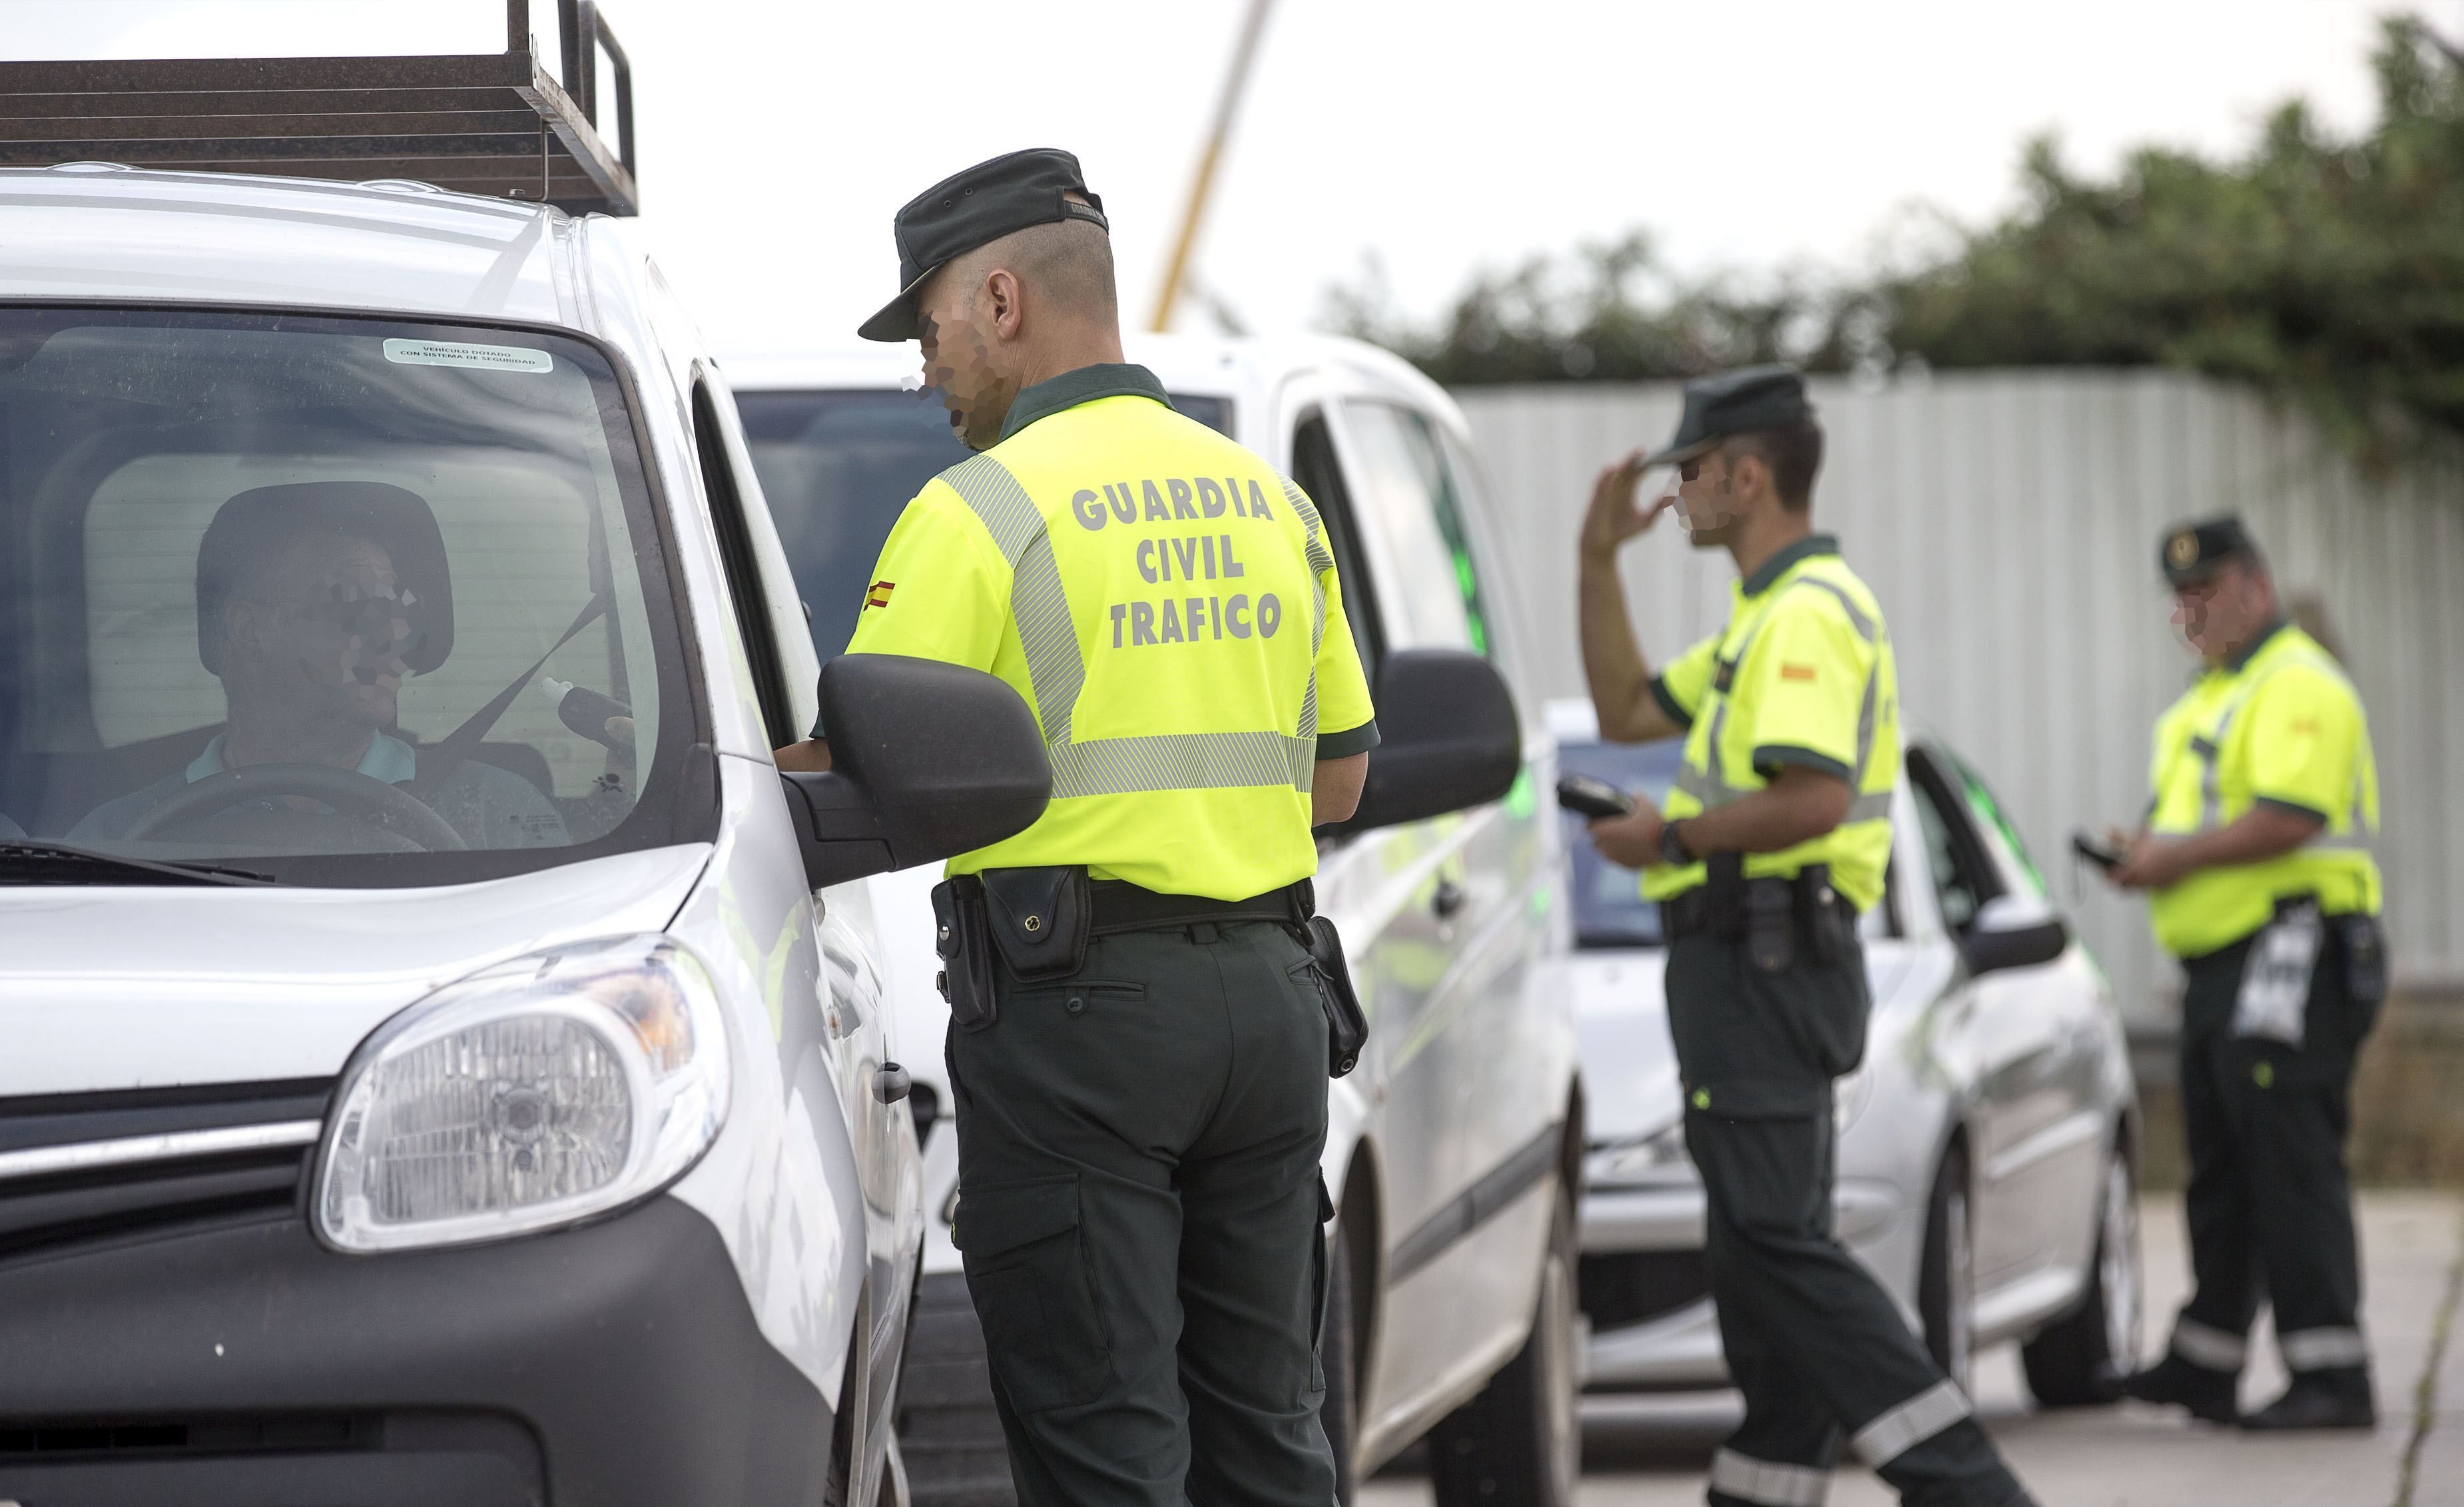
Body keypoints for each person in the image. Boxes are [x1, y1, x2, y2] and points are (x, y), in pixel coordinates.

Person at [774, 148, 1377, 1507]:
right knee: (1270, 1437)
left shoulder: (977, 511)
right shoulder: (1269, 501)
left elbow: (860, 776)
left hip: (1080, 1027)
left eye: (927, 330)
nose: (925, 371)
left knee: (1104, 1447)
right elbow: (1335, 781)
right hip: (1274, 1007)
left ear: (999, 302)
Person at [1579, 366, 2033, 1507]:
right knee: (1755, 1255)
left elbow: (1811, 799)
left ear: (1749, 471)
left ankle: (1969, 1483)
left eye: (1692, 469)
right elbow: (1627, 708)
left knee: (1777, 1245)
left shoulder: (1804, 618)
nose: (1677, 490)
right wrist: (1597, 562)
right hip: (1756, 962)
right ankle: (1767, 1485)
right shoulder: (1762, 617)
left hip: (1765, 958)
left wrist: (1669, 837)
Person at [2106, 515, 2385, 1431]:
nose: (2190, 611)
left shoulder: (2296, 681)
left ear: (2255, 586)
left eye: (2206, 590)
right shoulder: (2208, 697)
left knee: (2290, 1161)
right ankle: (2208, 1357)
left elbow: (2289, 815)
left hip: (2290, 953)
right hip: (2225, 962)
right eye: (2179, 598)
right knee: (2223, 1167)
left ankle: (2331, 1372)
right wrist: (2146, 853)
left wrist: (2169, 859)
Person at [74, 481, 567, 850]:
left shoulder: (497, 815)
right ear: (250, 630)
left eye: (398, 606)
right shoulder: (117, 839)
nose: (394, 632)